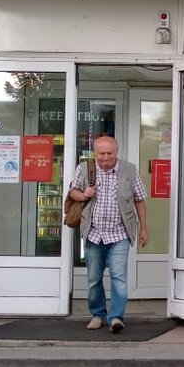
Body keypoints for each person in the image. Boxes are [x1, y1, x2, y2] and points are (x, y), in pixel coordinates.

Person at [68, 135, 148, 333]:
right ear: (95, 153)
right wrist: (84, 194)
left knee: (118, 277)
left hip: (120, 234)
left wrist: (143, 228)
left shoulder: (129, 170)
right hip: (94, 234)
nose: (105, 157)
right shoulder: (84, 168)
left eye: (109, 153)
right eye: (101, 153)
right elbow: (72, 192)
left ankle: (116, 317)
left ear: (116, 152)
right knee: (94, 278)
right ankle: (98, 314)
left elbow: (139, 199)